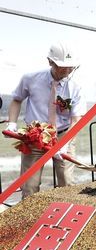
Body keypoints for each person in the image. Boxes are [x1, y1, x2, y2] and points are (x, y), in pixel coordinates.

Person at [5, 43, 85, 199]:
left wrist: (65, 144)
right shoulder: (30, 79)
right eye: (62, 66)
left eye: (71, 67)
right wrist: (12, 123)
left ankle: (65, 215)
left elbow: (77, 119)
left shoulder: (75, 87)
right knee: (29, 184)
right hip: (35, 136)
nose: (67, 71)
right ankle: (29, 218)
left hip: (63, 135)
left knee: (67, 182)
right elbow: (16, 99)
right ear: (50, 62)